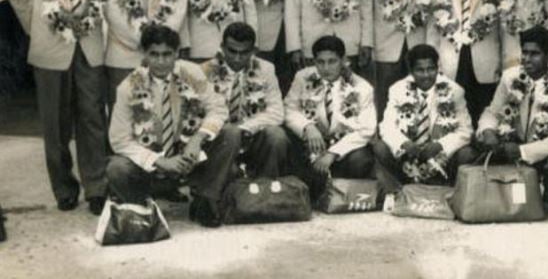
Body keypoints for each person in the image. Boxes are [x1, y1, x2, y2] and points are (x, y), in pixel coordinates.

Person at [6, 0, 111, 214]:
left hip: (90, 48)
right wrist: (34, 25)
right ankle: (64, 189)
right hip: (50, 50)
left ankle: (96, 188)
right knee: (55, 124)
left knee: (93, 119)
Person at [106, 25, 238, 228]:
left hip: (189, 159)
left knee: (230, 133)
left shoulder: (191, 73)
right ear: (144, 54)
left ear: (177, 53)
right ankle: (141, 210)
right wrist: (159, 161)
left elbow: (218, 109)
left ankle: (205, 200)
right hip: (150, 167)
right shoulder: (128, 87)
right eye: (154, 55)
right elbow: (119, 140)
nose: (161, 61)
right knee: (117, 168)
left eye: (167, 54)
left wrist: (197, 139)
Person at [473, 26, 548, 213]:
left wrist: (523, 151)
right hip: (508, 145)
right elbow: (493, 112)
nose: (527, 59)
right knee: (476, 148)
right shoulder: (510, 77)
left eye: (535, 54)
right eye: (525, 52)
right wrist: (488, 131)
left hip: (541, 151)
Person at [426, 0, 520, 125]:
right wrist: (431, 56)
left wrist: (510, 63)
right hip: (451, 55)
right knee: (453, 113)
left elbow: (507, 25)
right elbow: (434, 23)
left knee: (484, 113)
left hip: (485, 57)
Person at [372, 44, 475, 193]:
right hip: (407, 157)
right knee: (380, 147)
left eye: (431, 69)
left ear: (437, 68)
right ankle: (403, 187)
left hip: (441, 158)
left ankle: (445, 186)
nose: (426, 75)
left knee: (467, 154)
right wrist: (404, 143)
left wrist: (441, 145)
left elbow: (466, 130)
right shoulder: (398, 89)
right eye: (420, 70)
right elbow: (386, 126)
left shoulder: (454, 91)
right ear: (411, 71)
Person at [284, 35, 376, 199]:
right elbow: (289, 109)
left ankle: (342, 193)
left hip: (342, 150)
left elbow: (367, 130)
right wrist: (307, 127)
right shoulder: (303, 77)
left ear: (344, 60)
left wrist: (332, 154)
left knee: (361, 159)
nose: (326, 68)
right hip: (311, 146)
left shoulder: (361, 87)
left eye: (332, 61)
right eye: (320, 62)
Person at [201, 22, 290, 178]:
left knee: (277, 136)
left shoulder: (266, 69)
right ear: (222, 47)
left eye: (244, 52)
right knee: (230, 140)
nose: (237, 58)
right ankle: (208, 196)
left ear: (254, 51)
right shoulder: (205, 70)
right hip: (218, 140)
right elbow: (200, 114)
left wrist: (244, 128)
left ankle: (265, 189)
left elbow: (276, 112)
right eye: (232, 51)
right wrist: (229, 132)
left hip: (252, 135)